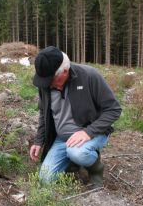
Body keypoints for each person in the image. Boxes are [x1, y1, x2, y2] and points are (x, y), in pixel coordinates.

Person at [29, 46, 122, 187]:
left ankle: (96, 169)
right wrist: (38, 141)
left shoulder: (89, 76)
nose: (48, 85)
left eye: (51, 80)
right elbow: (43, 113)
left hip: (92, 133)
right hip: (62, 139)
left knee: (78, 153)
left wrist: (88, 132)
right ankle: (73, 164)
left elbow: (113, 109)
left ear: (65, 71)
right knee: (45, 179)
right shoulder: (45, 83)